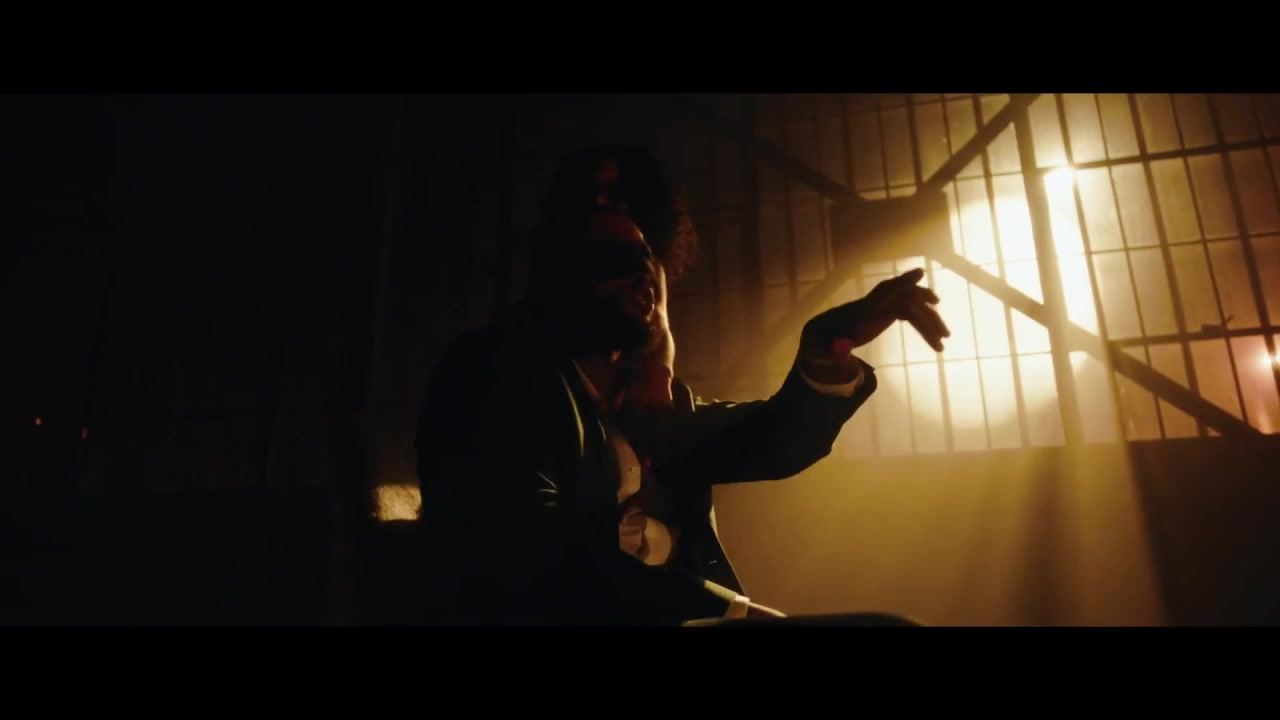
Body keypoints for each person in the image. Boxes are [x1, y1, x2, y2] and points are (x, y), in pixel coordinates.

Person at [413, 144, 949, 626]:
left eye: (647, 265)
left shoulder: (653, 409)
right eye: (614, 261)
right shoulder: (498, 372)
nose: (642, 280)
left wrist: (824, 347)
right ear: (560, 271)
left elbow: (775, 441)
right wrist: (725, 611)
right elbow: (531, 558)